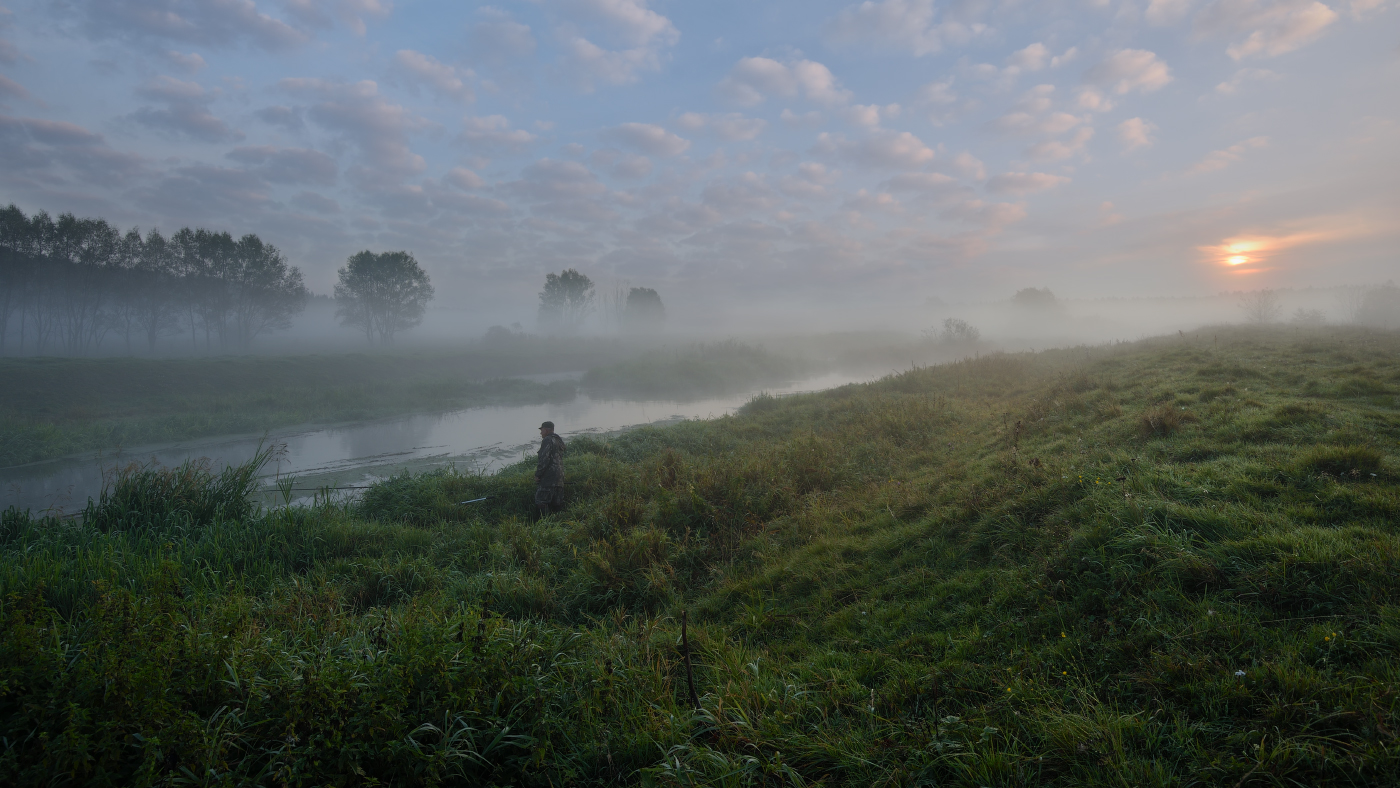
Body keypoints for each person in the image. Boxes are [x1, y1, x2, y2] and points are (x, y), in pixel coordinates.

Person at [534, 421, 565, 519]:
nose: (540, 433)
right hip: (559, 476)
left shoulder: (547, 440)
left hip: (549, 477)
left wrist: (538, 475)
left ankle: (545, 524)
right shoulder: (558, 440)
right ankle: (559, 523)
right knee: (557, 503)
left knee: (541, 501)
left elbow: (544, 459)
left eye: (541, 430)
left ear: (546, 430)